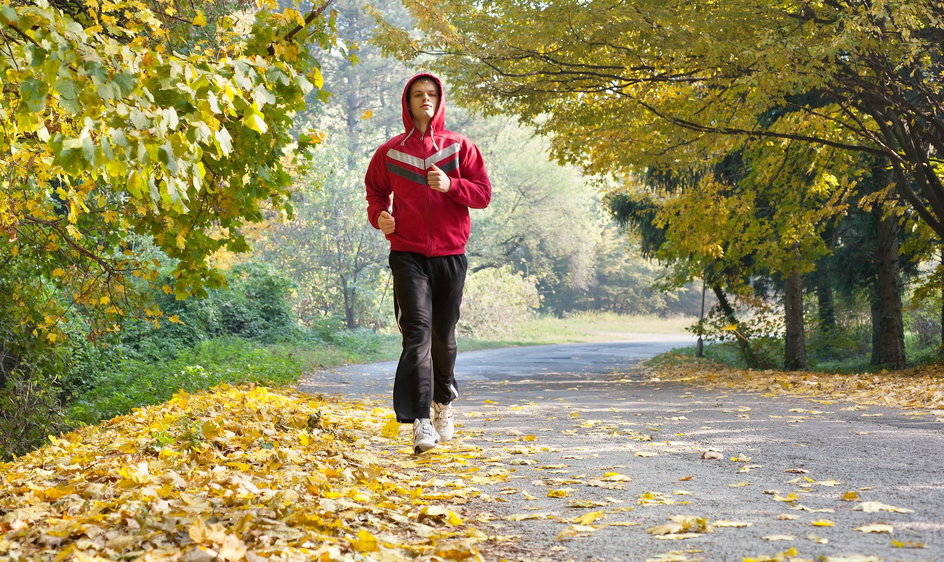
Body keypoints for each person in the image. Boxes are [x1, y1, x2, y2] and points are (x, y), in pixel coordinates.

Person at [365, 73, 492, 454]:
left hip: (451, 254)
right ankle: (420, 420)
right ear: (408, 102)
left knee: (443, 336)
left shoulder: (459, 147)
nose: (425, 99)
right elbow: (375, 193)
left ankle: (444, 403)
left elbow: (483, 194)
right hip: (407, 252)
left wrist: (451, 187)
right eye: (418, 94)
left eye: (431, 94)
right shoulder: (390, 152)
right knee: (416, 332)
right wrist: (380, 217)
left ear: (440, 101)